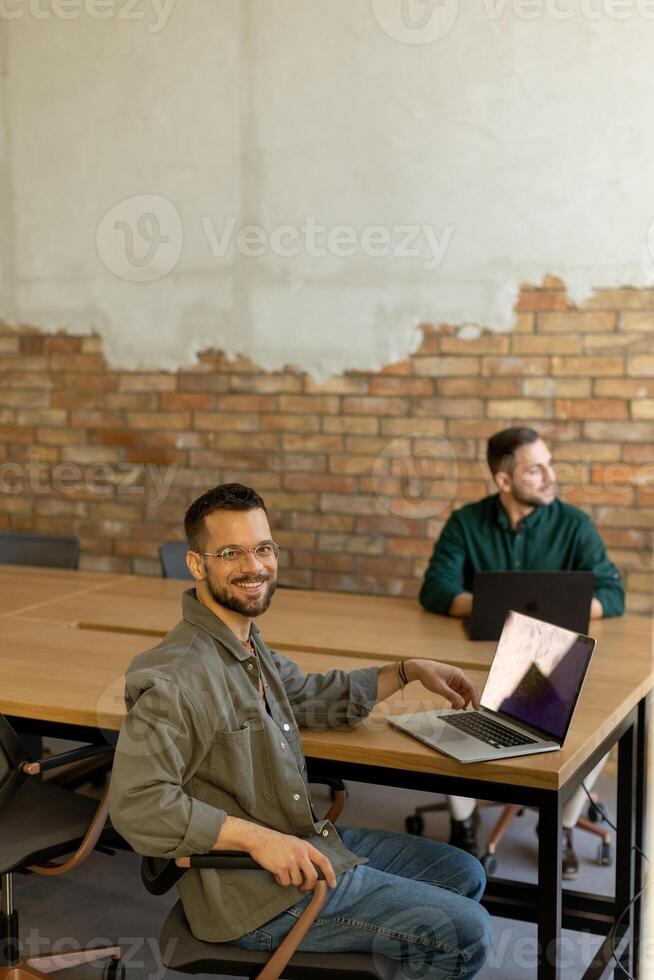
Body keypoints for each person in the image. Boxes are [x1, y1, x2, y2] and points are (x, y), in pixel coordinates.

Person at [109, 483, 492, 979]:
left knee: (463, 873)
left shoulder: (243, 643)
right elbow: (137, 804)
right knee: (465, 932)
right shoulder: (176, 677)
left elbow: (308, 694)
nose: (255, 566)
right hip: (253, 893)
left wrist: (406, 670)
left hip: (300, 841)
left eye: (263, 548)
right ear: (197, 565)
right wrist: (256, 840)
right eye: (231, 553)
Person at [419, 426, 624, 878]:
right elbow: (435, 590)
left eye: (550, 465)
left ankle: (563, 826)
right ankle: (463, 822)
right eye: (536, 469)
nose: (550, 476)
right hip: (482, 658)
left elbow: (613, 593)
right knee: (448, 702)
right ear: (504, 480)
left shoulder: (574, 525)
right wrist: (500, 605)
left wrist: (556, 610)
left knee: (605, 721)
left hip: (556, 662)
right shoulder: (465, 523)